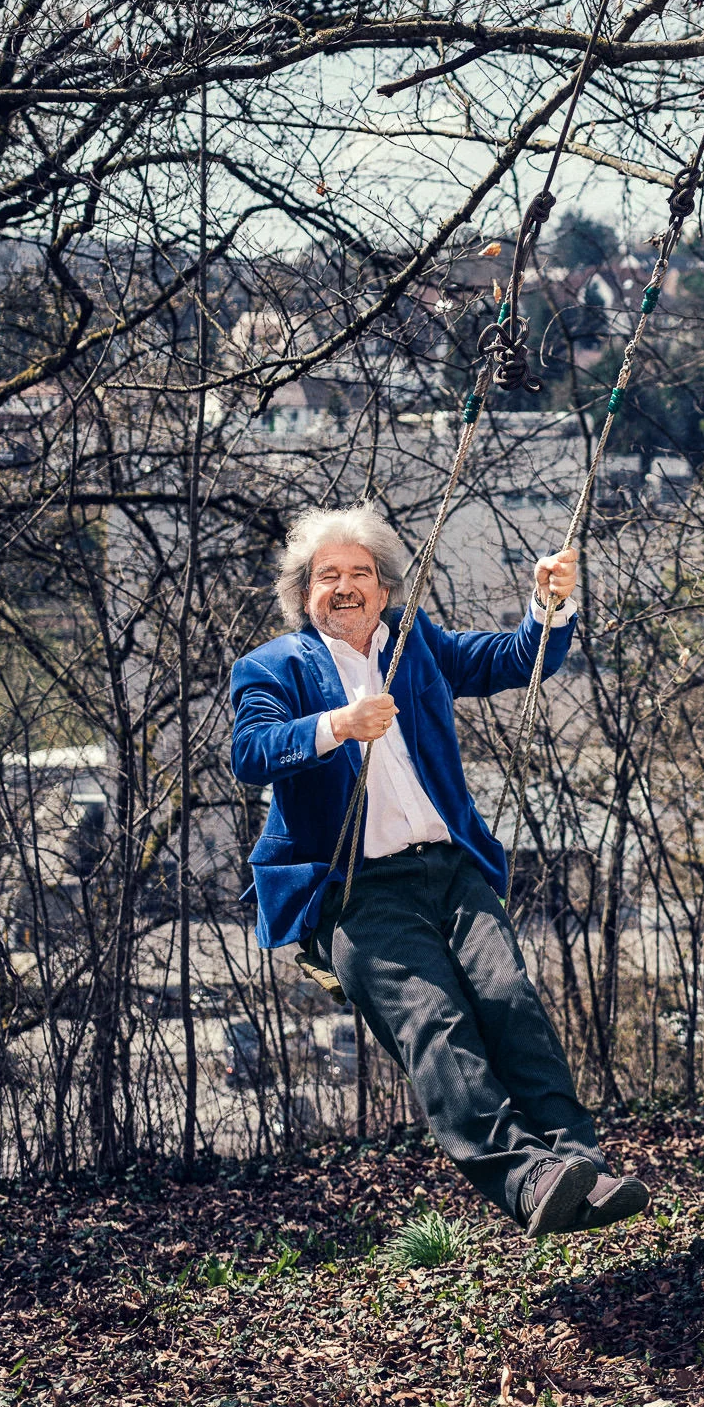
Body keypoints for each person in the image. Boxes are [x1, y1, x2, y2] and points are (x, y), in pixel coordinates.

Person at [230, 501, 648, 1238]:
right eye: (329, 576)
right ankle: (526, 1181)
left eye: (361, 573)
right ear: (304, 593)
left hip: (449, 869)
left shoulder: (413, 643)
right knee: (436, 1025)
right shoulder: (271, 668)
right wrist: (336, 727)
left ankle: (580, 1165)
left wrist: (549, 605)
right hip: (354, 889)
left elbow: (516, 659)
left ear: (386, 588)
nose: (347, 587)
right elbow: (251, 752)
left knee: (510, 1002)